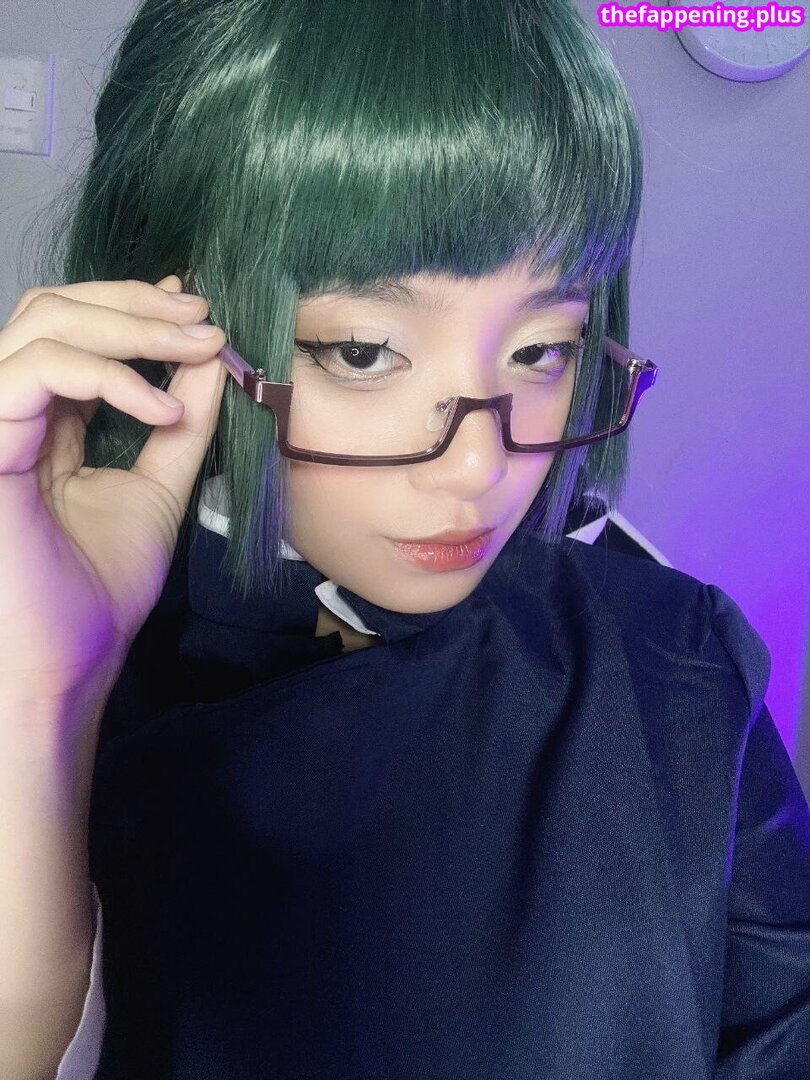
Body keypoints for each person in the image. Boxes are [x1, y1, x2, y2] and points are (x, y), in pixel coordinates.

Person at [1, 1, 808, 1078]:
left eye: (542, 350)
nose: (478, 467)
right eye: (365, 352)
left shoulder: (679, 669)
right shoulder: (53, 662)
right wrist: (40, 706)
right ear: (176, 319)